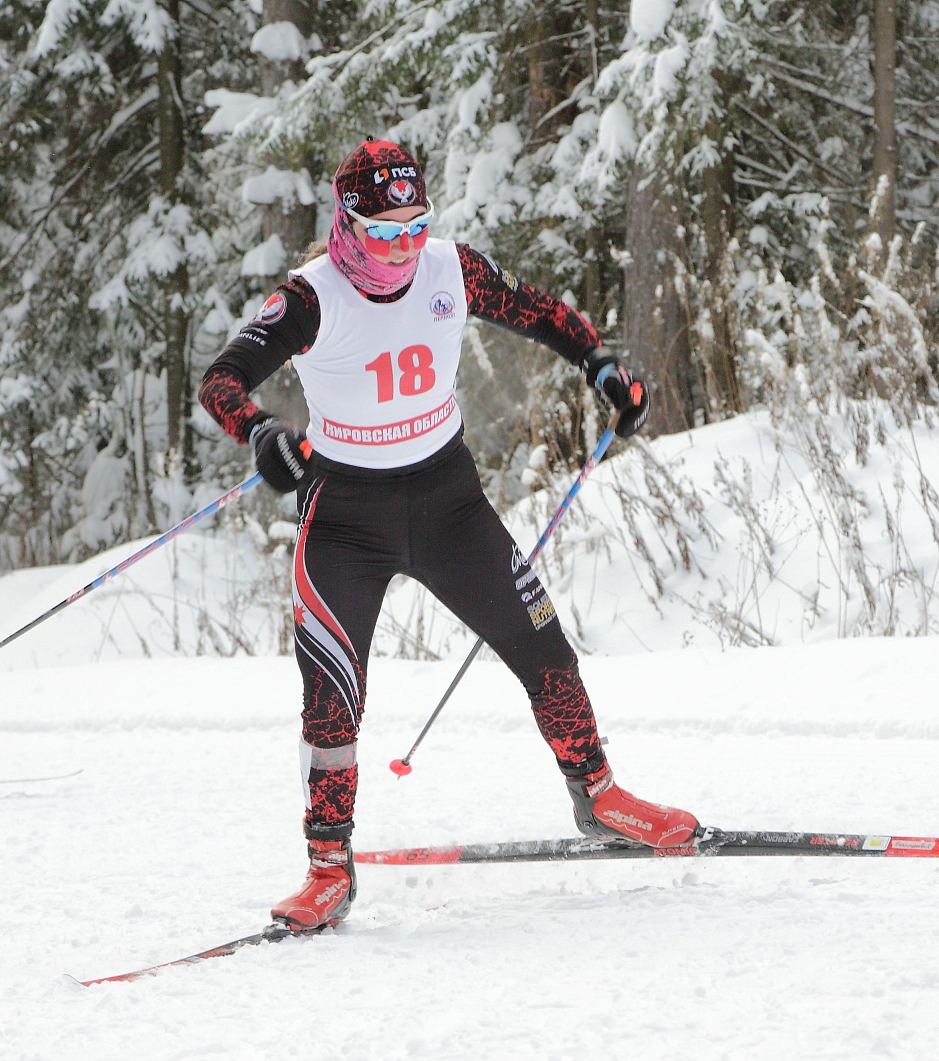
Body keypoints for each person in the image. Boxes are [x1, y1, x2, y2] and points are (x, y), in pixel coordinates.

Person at [200, 139, 697, 931]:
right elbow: (221, 379)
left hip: (448, 502)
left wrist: (602, 366)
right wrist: (259, 431)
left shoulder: (449, 269)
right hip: (345, 520)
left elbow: (540, 313)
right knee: (331, 698)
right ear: (347, 223)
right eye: (383, 231)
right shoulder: (310, 296)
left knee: (543, 644)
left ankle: (599, 797)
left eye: (414, 226)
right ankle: (329, 864)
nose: (401, 247)